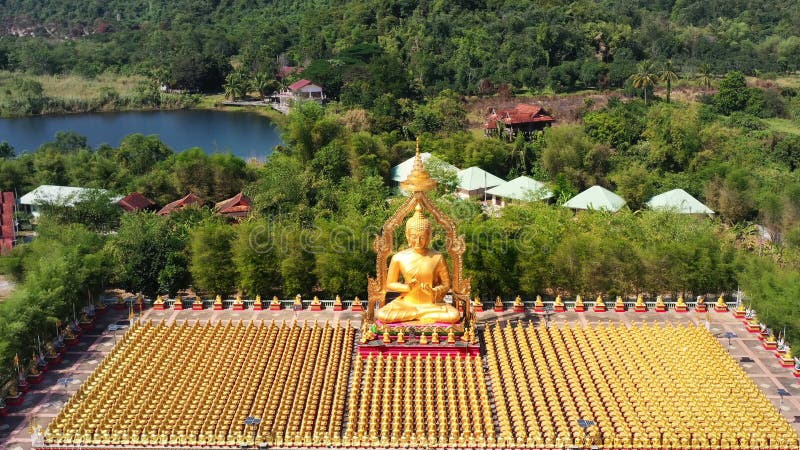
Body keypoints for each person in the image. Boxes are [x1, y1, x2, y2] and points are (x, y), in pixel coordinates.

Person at [376, 205, 460, 324]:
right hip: (407, 303)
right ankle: (421, 314)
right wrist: (407, 288)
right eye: (414, 237)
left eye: (422, 237)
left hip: (431, 304)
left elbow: (446, 285)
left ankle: (417, 314)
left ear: (429, 236)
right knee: (383, 314)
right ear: (407, 235)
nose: (418, 242)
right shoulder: (398, 257)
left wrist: (434, 291)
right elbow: (390, 284)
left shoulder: (437, 257)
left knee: (454, 315)